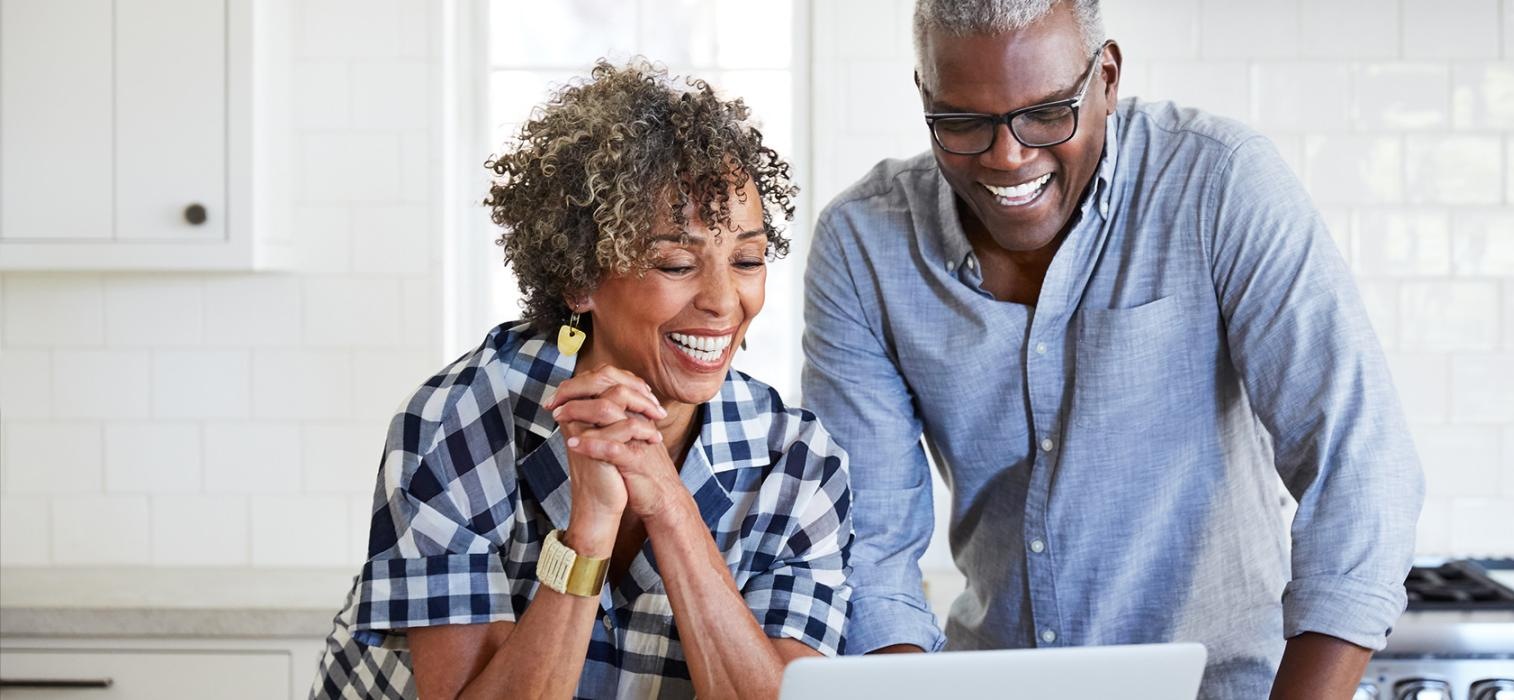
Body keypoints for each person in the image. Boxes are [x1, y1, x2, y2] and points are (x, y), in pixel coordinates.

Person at [801, 1, 1424, 697]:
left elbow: (1361, 470)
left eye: (1047, 113)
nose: (1009, 157)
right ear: (923, 93)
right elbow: (873, 551)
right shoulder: (863, 244)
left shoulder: (1219, 184)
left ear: (1107, 77)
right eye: (963, 123)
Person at [312, 59, 852, 700]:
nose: (723, 301)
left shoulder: (798, 467)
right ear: (581, 280)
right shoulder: (460, 423)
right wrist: (588, 530)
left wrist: (669, 505)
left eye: (747, 260)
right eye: (677, 262)